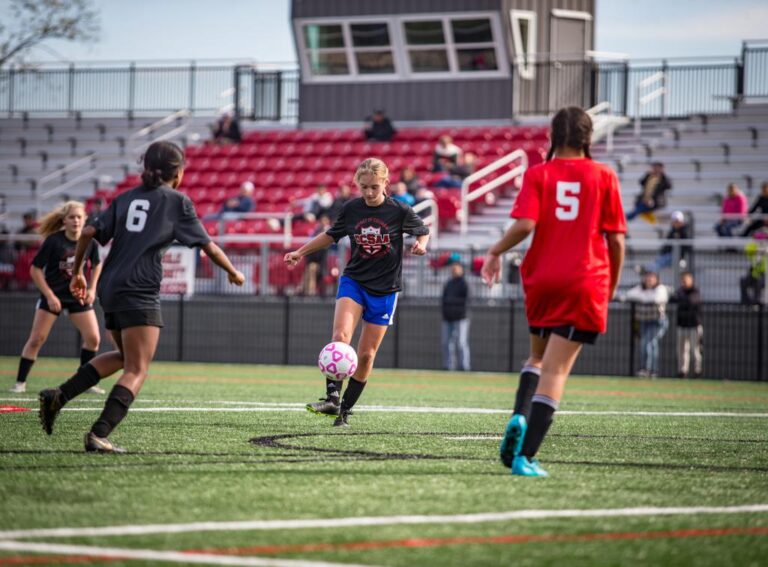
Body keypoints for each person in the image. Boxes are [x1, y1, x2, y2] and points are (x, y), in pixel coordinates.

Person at [38, 141, 245, 453]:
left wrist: (79, 270)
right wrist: (233, 272)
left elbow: (88, 233)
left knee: (124, 358)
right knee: (138, 368)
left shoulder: (125, 198)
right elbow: (208, 245)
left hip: (110, 286)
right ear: (178, 172)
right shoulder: (177, 201)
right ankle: (99, 433)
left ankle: (58, 396)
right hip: (139, 288)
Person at [480, 106, 626, 477]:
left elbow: (525, 225)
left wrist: (495, 251)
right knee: (558, 370)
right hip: (583, 280)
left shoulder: (538, 174)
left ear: (553, 137)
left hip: (542, 279)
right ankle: (525, 456)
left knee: (538, 358)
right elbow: (616, 241)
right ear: (587, 137)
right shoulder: (604, 176)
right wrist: (610, 286)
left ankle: (519, 415)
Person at [284, 157, 429, 427]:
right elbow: (331, 235)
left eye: (374, 186)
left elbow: (423, 230)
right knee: (340, 337)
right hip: (355, 280)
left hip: (385, 289)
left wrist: (420, 244)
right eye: (363, 187)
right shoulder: (351, 208)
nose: (369, 192)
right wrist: (300, 252)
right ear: (357, 185)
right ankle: (331, 398)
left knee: (366, 355)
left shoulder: (399, 210)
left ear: (386, 183)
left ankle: (345, 411)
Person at [10, 201, 103, 394]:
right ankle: (20, 383)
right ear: (64, 220)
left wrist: (92, 289)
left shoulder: (89, 241)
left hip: (77, 297)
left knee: (93, 338)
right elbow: (35, 269)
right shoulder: (54, 241)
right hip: (54, 297)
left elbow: (96, 264)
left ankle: (86, 382)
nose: (76, 221)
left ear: (85, 219)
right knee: (37, 339)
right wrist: (50, 295)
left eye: (79, 217)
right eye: (72, 217)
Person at [626, 269, 669, 378]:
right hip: (644, 321)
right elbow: (628, 294)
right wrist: (645, 296)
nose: (649, 280)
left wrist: (642, 297)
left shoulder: (660, 288)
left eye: (652, 278)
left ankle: (649, 369)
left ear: (656, 279)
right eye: (647, 277)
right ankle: (649, 370)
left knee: (648, 342)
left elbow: (657, 298)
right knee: (649, 344)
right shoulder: (640, 288)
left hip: (658, 322)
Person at [670, 272, 702, 378]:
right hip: (682, 325)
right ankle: (682, 371)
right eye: (682, 280)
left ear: (691, 280)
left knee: (695, 350)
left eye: (686, 280)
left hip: (693, 326)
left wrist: (681, 298)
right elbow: (672, 299)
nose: (684, 282)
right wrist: (680, 298)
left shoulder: (695, 291)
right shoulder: (680, 291)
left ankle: (697, 370)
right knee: (681, 350)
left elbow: (691, 301)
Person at [441, 261, 470, 371]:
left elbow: (467, 300)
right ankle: (448, 366)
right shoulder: (448, 283)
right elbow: (443, 299)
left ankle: (464, 366)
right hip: (448, 317)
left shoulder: (464, 283)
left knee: (461, 343)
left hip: (461, 318)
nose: (454, 270)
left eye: (456, 268)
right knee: (446, 343)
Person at [740, 240, 766, 304]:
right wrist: (757, 248)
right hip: (753, 275)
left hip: (763, 276)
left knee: (758, 282)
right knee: (743, 281)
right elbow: (748, 248)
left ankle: (756, 301)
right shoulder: (754, 252)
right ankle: (745, 301)